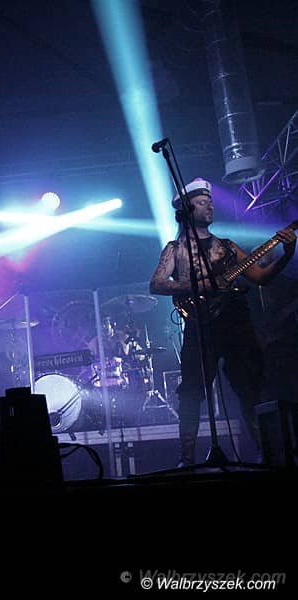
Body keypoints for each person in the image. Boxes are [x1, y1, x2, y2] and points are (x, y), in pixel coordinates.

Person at [149, 179, 296, 466]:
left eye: (211, 202)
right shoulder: (175, 249)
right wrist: (200, 285)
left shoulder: (228, 247)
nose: (210, 207)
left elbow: (261, 278)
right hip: (200, 324)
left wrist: (287, 254)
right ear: (186, 209)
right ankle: (186, 459)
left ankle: (266, 455)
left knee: (250, 386)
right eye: (202, 203)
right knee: (191, 390)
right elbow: (156, 284)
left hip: (236, 320)